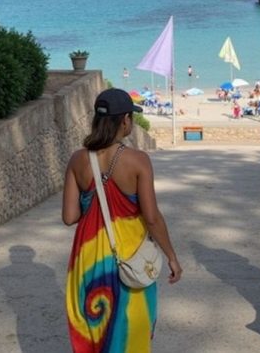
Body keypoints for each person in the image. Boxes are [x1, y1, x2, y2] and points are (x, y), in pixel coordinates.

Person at [63, 88, 183, 352]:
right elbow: (151, 217)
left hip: (88, 259)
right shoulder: (138, 161)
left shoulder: (77, 159)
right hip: (127, 257)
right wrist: (172, 256)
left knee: (95, 331)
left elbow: (70, 216)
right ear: (126, 120)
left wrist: (93, 204)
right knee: (128, 330)